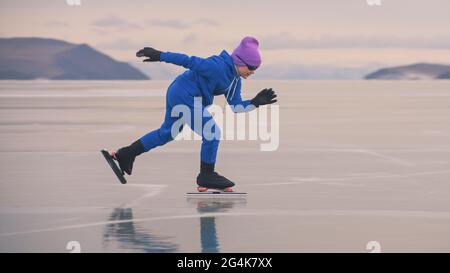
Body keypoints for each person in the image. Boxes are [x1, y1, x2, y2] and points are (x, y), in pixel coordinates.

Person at [111, 36, 277, 191]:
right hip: (184, 94)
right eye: (251, 67)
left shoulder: (235, 80)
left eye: (256, 68)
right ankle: (206, 175)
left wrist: (255, 103)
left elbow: (236, 106)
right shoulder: (216, 66)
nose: (253, 71)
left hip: (181, 94)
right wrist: (160, 55)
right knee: (212, 132)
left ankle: (125, 154)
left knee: (168, 133)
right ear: (240, 62)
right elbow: (188, 61)